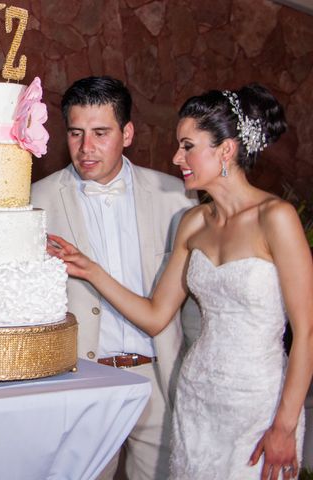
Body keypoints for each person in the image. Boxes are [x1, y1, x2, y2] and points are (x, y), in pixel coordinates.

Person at [48, 84, 313, 479]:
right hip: (196, 397)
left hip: (257, 401)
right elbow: (155, 316)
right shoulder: (193, 222)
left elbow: (306, 331)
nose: (176, 157)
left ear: (225, 151)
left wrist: (285, 424)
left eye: (187, 146)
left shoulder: (276, 217)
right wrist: (91, 269)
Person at [31, 76, 200, 480]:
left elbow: (194, 302)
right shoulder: (36, 200)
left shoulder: (176, 196)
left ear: (127, 134)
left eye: (100, 133)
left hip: (159, 378)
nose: (86, 148)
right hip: (80, 379)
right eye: (76, 133)